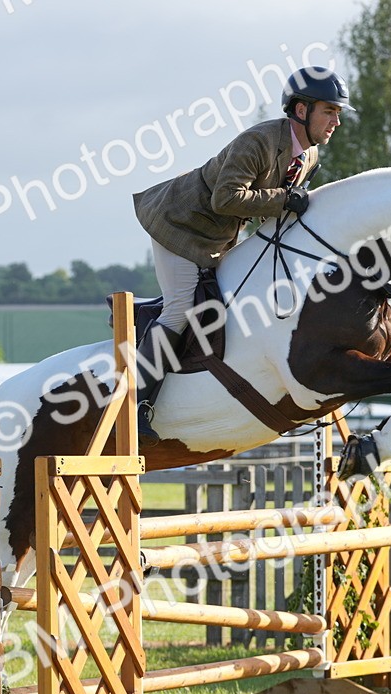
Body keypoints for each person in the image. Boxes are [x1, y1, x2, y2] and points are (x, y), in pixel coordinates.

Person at [131, 66, 354, 445]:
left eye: (337, 113)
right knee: (181, 307)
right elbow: (226, 198)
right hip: (180, 224)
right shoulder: (259, 141)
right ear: (301, 110)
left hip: (220, 236)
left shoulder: (310, 155)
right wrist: (285, 199)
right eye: (329, 111)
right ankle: (137, 404)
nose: (336, 122)